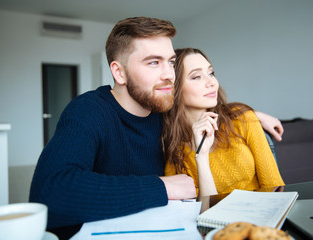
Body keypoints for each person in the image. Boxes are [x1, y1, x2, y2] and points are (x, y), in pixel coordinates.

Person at [30, 17, 283, 236]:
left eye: (171, 62)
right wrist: (162, 186)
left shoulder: (164, 112)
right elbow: (50, 193)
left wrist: (250, 114)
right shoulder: (89, 111)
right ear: (119, 73)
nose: (169, 75)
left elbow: (196, 105)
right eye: (153, 62)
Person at [163, 48, 285, 197]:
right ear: (173, 88)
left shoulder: (243, 118)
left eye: (211, 73)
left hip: (261, 215)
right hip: (213, 220)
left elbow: (273, 185)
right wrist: (201, 156)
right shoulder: (173, 148)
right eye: (196, 77)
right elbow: (203, 209)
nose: (212, 83)